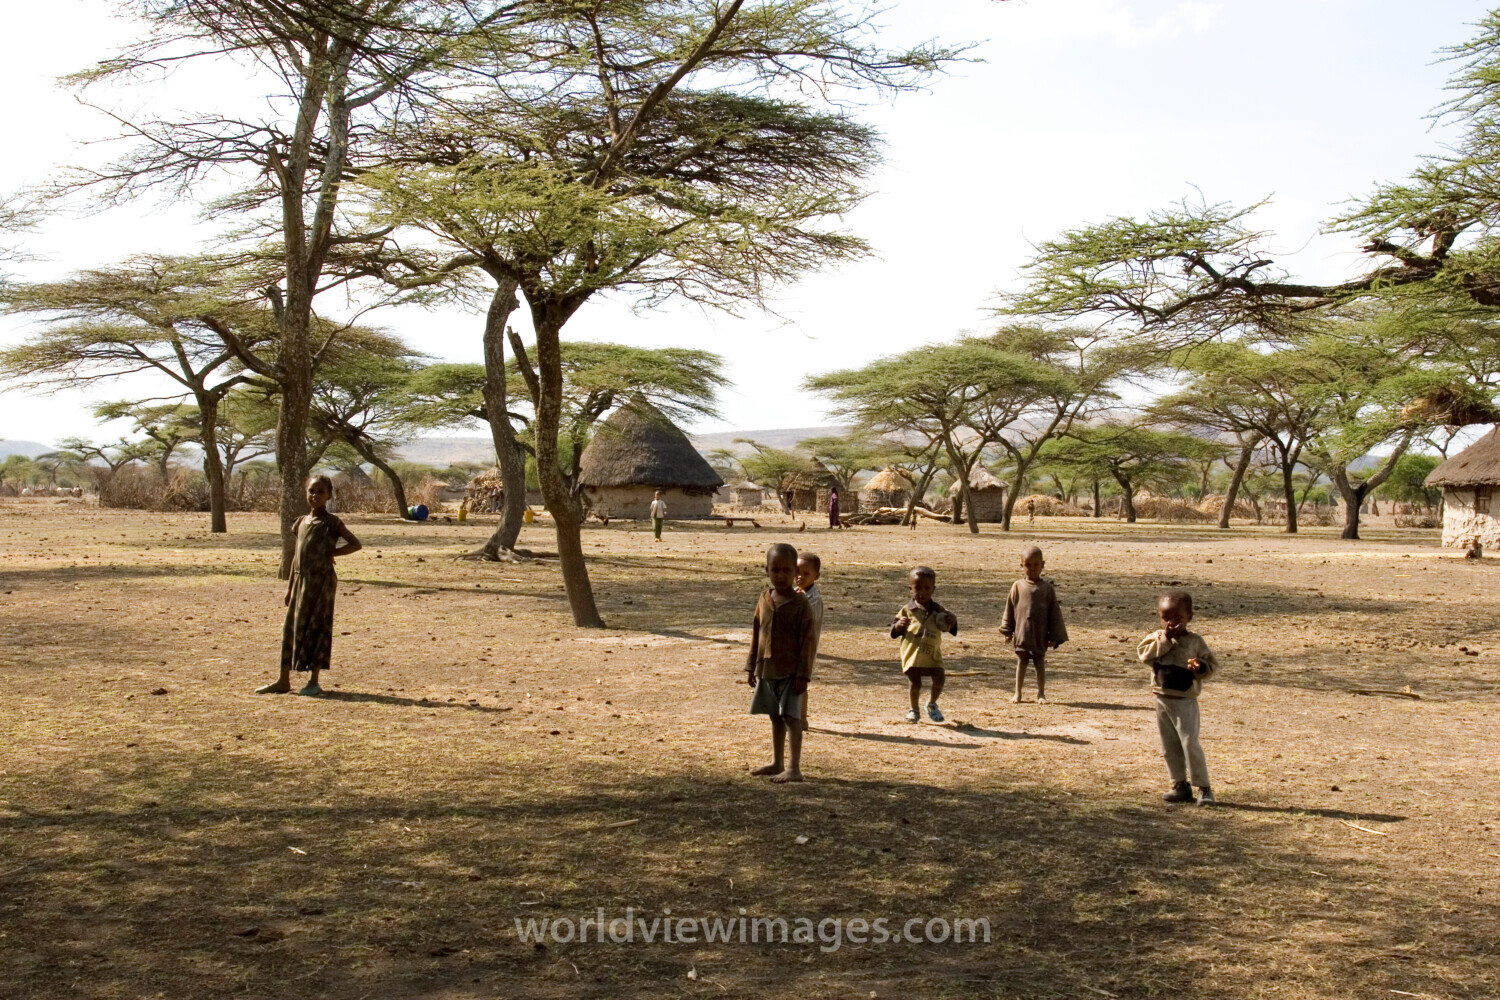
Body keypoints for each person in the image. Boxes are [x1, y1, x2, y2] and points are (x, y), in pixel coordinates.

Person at [258, 475, 362, 697]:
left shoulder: (332, 523)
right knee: (291, 628)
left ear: (329, 495)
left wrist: (331, 552)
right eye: (311, 491)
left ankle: (313, 682)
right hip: (300, 581)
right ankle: (283, 680)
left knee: (318, 626)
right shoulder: (300, 522)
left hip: (321, 582)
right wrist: (289, 586)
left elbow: (355, 544)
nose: (315, 496)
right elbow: (297, 555)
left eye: (320, 492)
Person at [746, 542, 819, 783]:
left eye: (787, 570)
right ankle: (777, 762)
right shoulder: (764, 599)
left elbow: (808, 641)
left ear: (795, 574)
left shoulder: (801, 605)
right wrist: (751, 665)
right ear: (766, 570)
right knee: (774, 716)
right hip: (768, 667)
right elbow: (757, 633)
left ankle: (794, 768)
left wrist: (803, 675)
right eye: (775, 570)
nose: (780, 575)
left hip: (791, 671)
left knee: (791, 718)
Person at [1137, 591, 1218, 806]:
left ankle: (1203, 787)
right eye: (1166, 618)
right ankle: (1180, 785)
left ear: (1189, 617)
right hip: (1162, 698)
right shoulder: (1157, 638)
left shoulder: (1195, 642)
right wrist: (1165, 640)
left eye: (1178, 618)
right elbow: (1144, 656)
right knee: (1169, 746)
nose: (1172, 623)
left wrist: (1200, 667)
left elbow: (1211, 667)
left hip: (1185, 701)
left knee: (1189, 742)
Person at [1001, 545, 1067, 703]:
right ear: (1021, 566)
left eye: (1036, 564)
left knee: (1039, 662)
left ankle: (1041, 693)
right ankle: (1017, 693)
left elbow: (1054, 614)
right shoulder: (1017, 586)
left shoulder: (1047, 589)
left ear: (1043, 565)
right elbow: (1009, 608)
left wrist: (1054, 636)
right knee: (1021, 661)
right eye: (1028, 565)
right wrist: (1007, 630)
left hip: (1040, 634)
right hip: (1022, 633)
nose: (1032, 568)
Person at [891, 565, 958, 723]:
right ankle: (914, 709)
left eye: (927, 588)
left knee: (940, 678)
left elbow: (950, 628)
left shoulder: (938, 610)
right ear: (910, 588)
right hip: (913, 655)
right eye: (917, 588)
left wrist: (953, 620)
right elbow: (893, 631)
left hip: (933, 654)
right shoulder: (907, 610)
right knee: (915, 683)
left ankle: (932, 704)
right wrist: (899, 625)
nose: (922, 592)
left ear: (933, 589)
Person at [797, 552, 825, 652]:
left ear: (816, 576)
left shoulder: (814, 599)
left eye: (806, 574)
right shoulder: (795, 592)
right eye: (797, 572)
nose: (800, 576)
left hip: (806, 649)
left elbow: (806, 622)